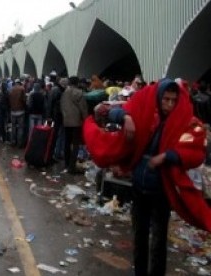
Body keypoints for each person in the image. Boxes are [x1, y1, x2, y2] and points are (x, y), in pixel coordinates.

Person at [84, 78, 209, 276]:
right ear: (159, 98)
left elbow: (195, 150)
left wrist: (167, 156)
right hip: (139, 187)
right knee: (140, 237)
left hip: (161, 190)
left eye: (173, 100)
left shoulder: (184, 121)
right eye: (165, 99)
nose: (168, 104)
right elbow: (109, 110)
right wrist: (126, 117)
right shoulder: (147, 113)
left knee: (158, 241)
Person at [61, 76, 88, 173]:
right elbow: (83, 108)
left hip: (66, 120)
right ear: (77, 83)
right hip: (76, 122)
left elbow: (62, 106)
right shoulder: (79, 93)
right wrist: (86, 119)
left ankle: (66, 164)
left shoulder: (64, 93)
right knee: (75, 144)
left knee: (67, 143)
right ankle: (72, 167)